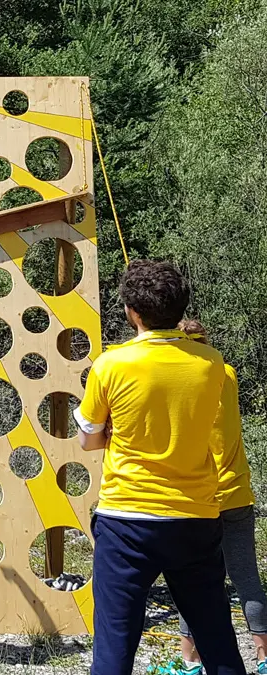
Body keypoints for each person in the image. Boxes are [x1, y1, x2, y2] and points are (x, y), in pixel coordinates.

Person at [75, 260, 243, 675]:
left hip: (126, 520)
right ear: (181, 306)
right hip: (195, 516)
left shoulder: (110, 364)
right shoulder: (211, 363)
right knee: (216, 636)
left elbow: (89, 439)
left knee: (115, 642)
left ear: (132, 312)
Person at [161, 319, 267, 675]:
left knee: (192, 582)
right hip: (237, 493)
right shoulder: (228, 373)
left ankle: (190, 661)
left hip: (198, 498)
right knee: (247, 579)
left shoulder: (185, 377)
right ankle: (264, 657)